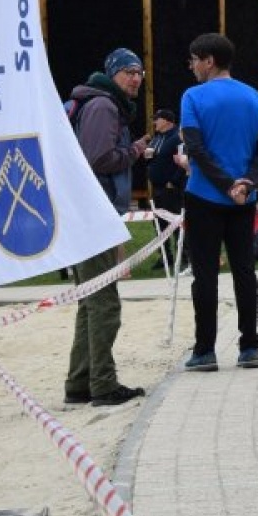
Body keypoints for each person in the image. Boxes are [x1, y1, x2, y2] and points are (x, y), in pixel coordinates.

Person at [181, 33, 258, 371]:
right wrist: (246, 182)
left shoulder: (192, 96)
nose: (191, 66)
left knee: (205, 274)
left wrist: (225, 184)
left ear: (209, 60)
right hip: (244, 198)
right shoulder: (256, 99)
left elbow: (195, 148)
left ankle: (205, 350)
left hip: (205, 195)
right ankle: (249, 345)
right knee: (244, 271)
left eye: (194, 59)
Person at [63, 47, 151, 407]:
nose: (136, 78)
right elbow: (98, 158)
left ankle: (80, 383)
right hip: (92, 213)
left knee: (90, 299)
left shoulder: (97, 102)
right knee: (104, 302)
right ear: (112, 73)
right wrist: (133, 151)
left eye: (140, 72)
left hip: (87, 211)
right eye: (129, 71)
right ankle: (102, 384)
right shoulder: (103, 105)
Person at [145, 107, 188, 271]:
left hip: (171, 188)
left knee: (177, 223)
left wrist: (173, 181)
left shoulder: (177, 137)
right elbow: (153, 157)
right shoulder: (157, 138)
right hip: (156, 187)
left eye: (158, 119)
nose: (154, 122)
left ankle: (183, 257)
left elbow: (182, 162)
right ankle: (165, 257)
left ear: (167, 121)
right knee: (159, 224)